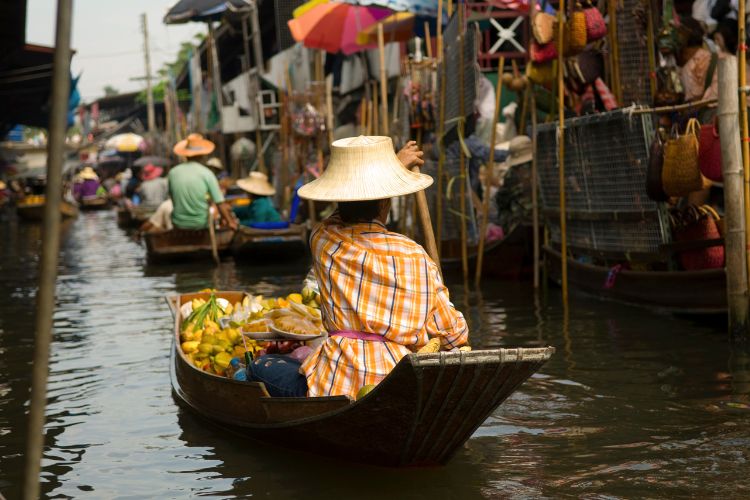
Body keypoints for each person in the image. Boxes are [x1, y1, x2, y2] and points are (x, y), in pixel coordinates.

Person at [248, 137, 469, 398]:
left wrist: (394, 166)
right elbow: (454, 333)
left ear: (339, 200)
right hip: (398, 381)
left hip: (333, 384)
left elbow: (334, 220)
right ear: (385, 203)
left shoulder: (324, 240)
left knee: (259, 367)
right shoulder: (415, 253)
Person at [168, 133, 237, 231]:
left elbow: (173, 198)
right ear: (202, 155)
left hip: (178, 223)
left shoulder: (173, 172)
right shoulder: (207, 173)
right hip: (201, 224)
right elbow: (219, 203)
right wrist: (230, 222)